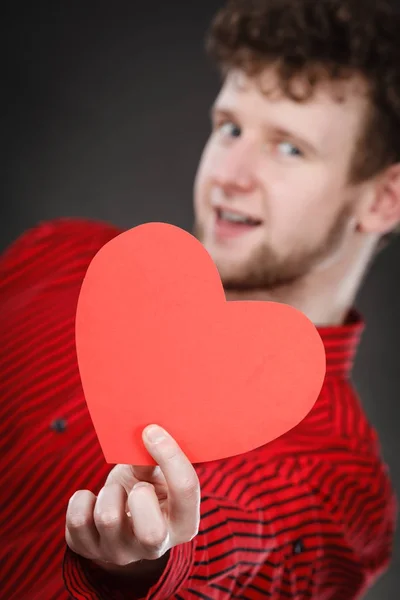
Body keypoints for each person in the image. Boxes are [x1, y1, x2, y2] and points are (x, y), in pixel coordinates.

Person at [1, 0, 399, 598]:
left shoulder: (344, 487)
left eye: (289, 148)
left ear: (383, 200)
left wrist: (143, 566)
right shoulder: (61, 254)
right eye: (230, 127)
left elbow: (251, 552)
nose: (229, 176)